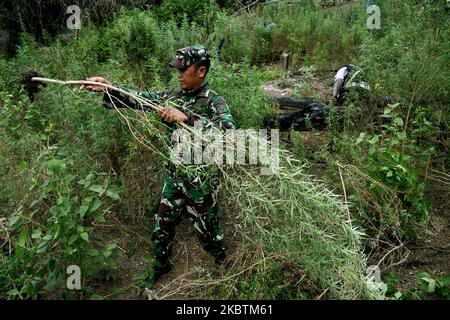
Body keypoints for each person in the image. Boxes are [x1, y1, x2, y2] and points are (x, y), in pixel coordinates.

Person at [80, 45, 235, 282]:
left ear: (201, 71)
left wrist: (188, 119)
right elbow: (140, 98)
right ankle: (161, 265)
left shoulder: (215, 102)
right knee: (161, 227)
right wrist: (109, 87)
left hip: (200, 182)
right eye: (177, 70)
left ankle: (223, 264)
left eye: (184, 70)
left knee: (208, 232)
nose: (179, 74)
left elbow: (228, 134)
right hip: (175, 177)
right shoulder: (173, 96)